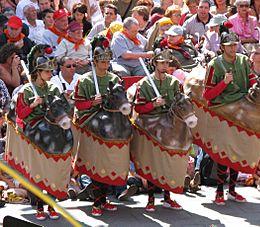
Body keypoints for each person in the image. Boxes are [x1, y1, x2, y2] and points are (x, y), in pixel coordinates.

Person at [72, 36, 128, 216]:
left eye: (107, 61)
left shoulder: (115, 79)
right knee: (97, 165)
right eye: (101, 61)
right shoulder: (85, 80)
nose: (105, 64)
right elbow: (79, 105)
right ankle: (97, 203)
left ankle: (104, 200)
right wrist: (91, 102)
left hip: (111, 123)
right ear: (94, 61)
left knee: (108, 164)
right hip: (91, 123)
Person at [203, 32, 256, 205]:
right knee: (223, 153)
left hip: (241, 109)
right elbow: (207, 95)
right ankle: (219, 191)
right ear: (222, 47)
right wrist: (224, 83)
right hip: (222, 110)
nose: (233, 48)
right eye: (230, 45)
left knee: (238, 151)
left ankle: (232, 190)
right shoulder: (214, 65)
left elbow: (252, 82)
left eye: (236, 44)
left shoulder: (243, 61)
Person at [15, 45, 67, 220]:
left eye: (51, 72)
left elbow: (64, 107)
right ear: (38, 72)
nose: (50, 75)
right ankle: (39, 206)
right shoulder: (27, 90)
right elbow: (21, 114)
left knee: (52, 170)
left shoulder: (54, 88)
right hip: (34, 129)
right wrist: (33, 105)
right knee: (39, 171)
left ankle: (51, 205)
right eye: (47, 72)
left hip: (53, 128)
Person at [132, 49, 185, 211]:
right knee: (151, 164)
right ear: (154, 63)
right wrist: (152, 105)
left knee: (168, 163)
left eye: (167, 63)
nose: (164, 66)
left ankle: (168, 198)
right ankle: (150, 198)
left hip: (169, 127)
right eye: (161, 63)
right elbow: (139, 108)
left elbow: (181, 104)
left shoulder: (175, 83)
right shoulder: (144, 84)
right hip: (150, 126)